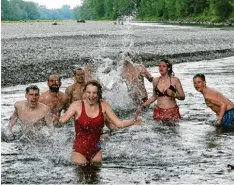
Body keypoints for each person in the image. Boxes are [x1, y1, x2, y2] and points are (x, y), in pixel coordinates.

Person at [59, 80, 142, 165]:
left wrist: (133, 121)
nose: (91, 96)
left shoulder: (104, 105)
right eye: (89, 92)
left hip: (96, 151)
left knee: (96, 176)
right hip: (79, 150)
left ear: (98, 94)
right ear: (84, 92)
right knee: (81, 173)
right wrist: (53, 119)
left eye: (94, 93)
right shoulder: (76, 105)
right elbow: (62, 120)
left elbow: (118, 123)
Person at [135, 59, 185, 124]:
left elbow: (182, 97)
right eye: (159, 66)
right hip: (158, 112)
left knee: (172, 132)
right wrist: (142, 106)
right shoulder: (155, 80)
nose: (161, 68)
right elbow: (154, 96)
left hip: (172, 112)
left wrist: (174, 94)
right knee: (158, 132)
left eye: (164, 66)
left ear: (168, 68)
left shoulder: (175, 80)